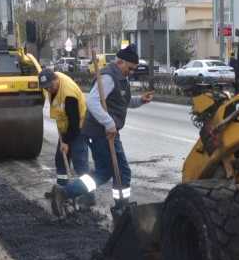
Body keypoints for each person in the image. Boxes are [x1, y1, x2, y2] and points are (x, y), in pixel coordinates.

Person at [51, 44, 153, 213]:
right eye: (130, 68)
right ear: (121, 62)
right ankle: (120, 208)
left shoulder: (121, 77)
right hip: (100, 132)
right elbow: (92, 102)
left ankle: (67, 193)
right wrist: (109, 123)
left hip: (107, 131)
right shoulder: (108, 78)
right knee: (118, 171)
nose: (132, 71)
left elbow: (122, 102)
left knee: (107, 172)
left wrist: (141, 100)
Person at [37, 69, 91, 212]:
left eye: (50, 86)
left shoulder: (69, 95)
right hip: (65, 128)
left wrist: (66, 143)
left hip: (79, 128)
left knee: (80, 164)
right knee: (60, 159)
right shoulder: (52, 84)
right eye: (46, 87)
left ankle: (89, 195)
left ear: (56, 79)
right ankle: (62, 191)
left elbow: (74, 125)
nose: (48, 89)